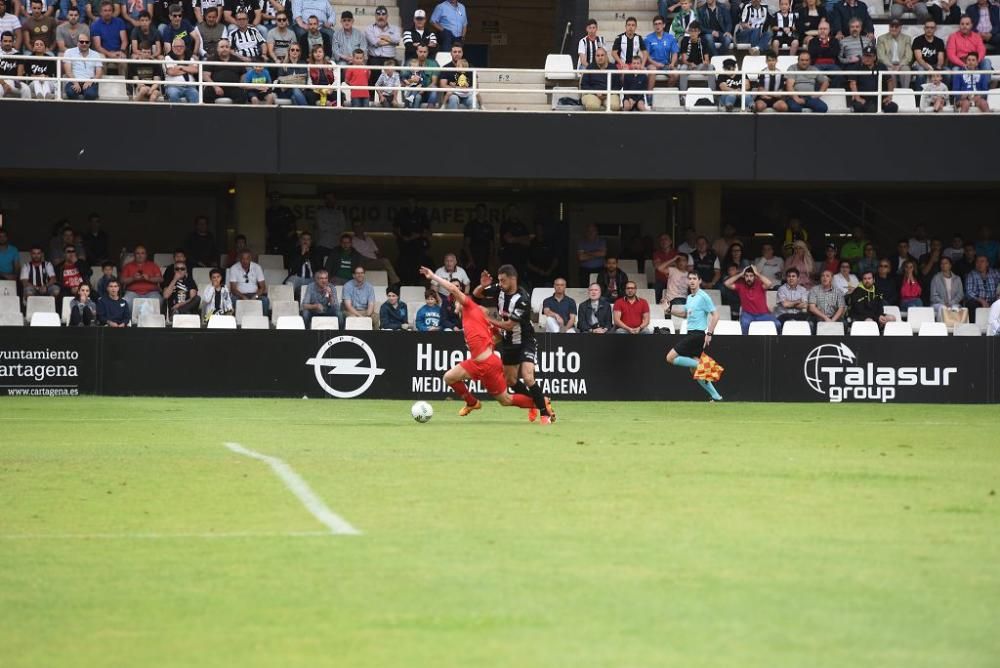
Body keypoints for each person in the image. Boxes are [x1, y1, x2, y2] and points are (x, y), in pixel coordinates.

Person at [417, 266, 548, 420]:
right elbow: (498, 336)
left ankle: (541, 404)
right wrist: (489, 340)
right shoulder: (468, 319)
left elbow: (453, 288)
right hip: (475, 363)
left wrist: (433, 276)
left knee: (506, 400)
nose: (455, 303)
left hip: (488, 364)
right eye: (454, 302)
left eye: (456, 300)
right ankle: (472, 403)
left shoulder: (470, 307)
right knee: (448, 377)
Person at [472, 264, 553, 422]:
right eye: (499, 280)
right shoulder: (500, 289)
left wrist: (486, 319)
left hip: (525, 341)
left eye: (503, 280)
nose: (500, 283)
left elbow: (509, 325)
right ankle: (538, 402)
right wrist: (482, 285)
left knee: (528, 377)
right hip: (509, 343)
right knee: (511, 382)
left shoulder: (522, 299)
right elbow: (476, 295)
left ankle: (545, 414)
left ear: (512, 279)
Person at [666, 270, 723, 401]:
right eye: (690, 278)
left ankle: (701, 365)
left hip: (697, 335)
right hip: (692, 333)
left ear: (699, 281)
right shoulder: (690, 298)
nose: (691, 281)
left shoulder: (703, 296)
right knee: (694, 371)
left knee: (670, 358)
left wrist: (709, 333)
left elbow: (716, 315)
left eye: (694, 278)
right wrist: (669, 310)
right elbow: (686, 314)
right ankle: (716, 396)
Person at [725, 264, 781, 333]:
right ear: (744, 277)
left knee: (778, 324)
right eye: (746, 276)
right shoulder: (741, 286)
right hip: (748, 315)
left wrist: (757, 273)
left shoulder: (760, 284)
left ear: (755, 276)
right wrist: (740, 274)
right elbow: (727, 283)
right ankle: (746, 343)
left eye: (751, 276)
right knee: (745, 325)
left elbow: (769, 284)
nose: (749, 278)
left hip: (763, 314)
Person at [62, 31, 103, 100]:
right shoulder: (69, 52)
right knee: (71, 93)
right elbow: (68, 71)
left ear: (90, 43)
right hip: (73, 81)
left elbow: (99, 73)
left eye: (86, 42)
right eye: (81, 42)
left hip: (89, 82)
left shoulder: (96, 54)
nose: (84, 44)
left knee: (91, 94)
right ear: (77, 42)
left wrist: (90, 81)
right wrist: (75, 82)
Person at [120, 245, 162, 310]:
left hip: (151, 292)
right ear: (134, 255)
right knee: (126, 301)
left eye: (142, 253)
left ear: (146, 255)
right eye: (138, 253)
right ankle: (132, 320)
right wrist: (133, 278)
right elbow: (122, 280)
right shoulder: (128, 266)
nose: (140, 255)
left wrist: (149, 279)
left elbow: (160, 279)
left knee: (158, 300)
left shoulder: (153, 265)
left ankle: (151, 320)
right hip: (133, 292)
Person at [227, 249, 268, 313]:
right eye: (243, 258)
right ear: (239, 259)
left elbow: (263, 287)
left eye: (247, 258)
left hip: (255, 294)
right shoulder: (234, 268)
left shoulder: (257, 267)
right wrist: (243, 297)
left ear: (251, 259)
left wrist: (256, 296)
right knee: (233, 300)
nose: (245, 261)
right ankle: (235, 321)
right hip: (239, 295)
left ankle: (265, 320)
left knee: (265, 300)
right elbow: (233, 289)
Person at [580, 47, 621, 111]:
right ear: (595, 57)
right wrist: (595, 92)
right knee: (592, 106)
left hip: (609, 94)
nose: (600, 57)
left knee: (614, 106)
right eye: (598, 55)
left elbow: (617, 86)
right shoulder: (590, 67)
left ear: (606, 56)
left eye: (602, 55)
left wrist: (607, 93)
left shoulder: (613, 67)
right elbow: (584, 85)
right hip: (593, 94)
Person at [877, 19, 912, 89]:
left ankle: (905, 92)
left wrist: (900, 65)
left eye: (896, 26)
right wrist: (891, 65)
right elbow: (881, 56)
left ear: (900, 28)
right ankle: (893, 94)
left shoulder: (906, 38)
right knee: (890, 71)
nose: (894, 28)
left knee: (906, 70)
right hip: (888, 64)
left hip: (901, 64)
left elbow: (908, 56)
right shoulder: (881, 38)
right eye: (891, 26)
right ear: (889, 27)